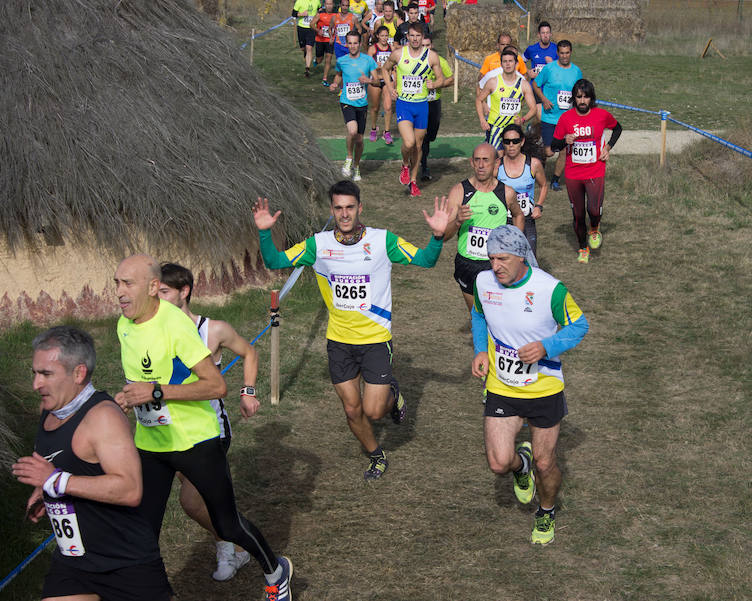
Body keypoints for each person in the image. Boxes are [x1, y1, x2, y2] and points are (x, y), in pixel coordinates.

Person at [112, 254, 293, 601]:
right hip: (152, 442)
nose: (119, 292)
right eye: (117, 283)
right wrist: (130, 395)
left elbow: (215, 386)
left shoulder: (177, 327)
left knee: (227, 524)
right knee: (142, 528)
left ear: (152, 288)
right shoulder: (124, 324)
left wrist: (155, 392)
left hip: (196, 441)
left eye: (127, 284)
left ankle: (275, 569)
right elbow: (147, 378)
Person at [253, 181, 451, 480]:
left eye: (349, 207)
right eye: (338, 208)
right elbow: (274, 261)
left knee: (373, 411)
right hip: (339, 342)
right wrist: (265, 232)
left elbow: (426, 260)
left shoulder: (383, 241)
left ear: (360, 207)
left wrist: (437, 236)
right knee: (351, 410)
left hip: (375, 340)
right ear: (331, 210)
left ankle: (392, 392)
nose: (344, 214)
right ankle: (376, 455)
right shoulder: (318, 245)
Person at [13, 326, 173, 601]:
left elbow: (130, 489)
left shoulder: (103, 418)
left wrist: (56, 480)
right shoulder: (49, 409)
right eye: (35, 373)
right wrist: (44, 490)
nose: (36, 384)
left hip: (124, 562)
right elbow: (65, 464)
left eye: (46, 374)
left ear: (78, 373)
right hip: (73, 560)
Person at [470, 225, 588, 544]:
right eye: (492, 258)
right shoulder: (483, 282)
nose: (496, 266)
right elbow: (479, 314)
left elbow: (579, 325)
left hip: (544, 389)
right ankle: (520, 466)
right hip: (502, 387)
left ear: (521, 256)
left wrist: (547, 347)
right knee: (498, 463)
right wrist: (481, 348)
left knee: (546, 461)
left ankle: (546, 511)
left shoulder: (550, 290)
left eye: (503, 259)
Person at [157, 263, 260, 582]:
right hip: (165, 429)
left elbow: (249, 352)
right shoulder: (154, 330)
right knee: (202, 497)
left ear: (184, 291)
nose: (157, 299)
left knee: (191, 501)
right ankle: (233, 543)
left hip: (208, 430)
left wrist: (248, 392)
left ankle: (235, 547)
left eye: (164, 292)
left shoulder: (212, 330)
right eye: (155, 293)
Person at [443, 142, 524, 312]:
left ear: (496, 163)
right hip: (467, 264)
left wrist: (516, 246)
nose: (481, 165)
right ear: (471, 162)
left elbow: (518, 215)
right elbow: (443, 236)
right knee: (477, 317)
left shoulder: (506, 193)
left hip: (496, 264)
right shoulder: (459, 191)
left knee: (499, 317)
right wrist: (457, 221)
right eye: (477, 160)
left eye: (486, 160)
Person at [551, 78, 622, 263]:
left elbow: (618, 128)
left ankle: (595, 227)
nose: (582, 101)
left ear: (591, 98)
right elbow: (554, 145)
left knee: (594, 210)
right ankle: (583, 248)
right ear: (574, 98)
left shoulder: (601, 115)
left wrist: (608, 148)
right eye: (579, 97)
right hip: (574, 173)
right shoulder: (565, 118)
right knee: (578, 214)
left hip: (595, 170)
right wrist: (564, 140)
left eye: (586, 97)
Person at [380, 22, 444, 196]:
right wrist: (390, 87)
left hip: (422, 105)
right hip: (404, 104)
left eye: (418, 36)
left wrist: (434, 83)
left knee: (417, 145)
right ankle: (405, 165)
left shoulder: (431, 57)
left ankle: (413, 181)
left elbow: (441, 79)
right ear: (407, 36)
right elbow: (385, 69)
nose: (415, 39)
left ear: (423, 37)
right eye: (412, 35)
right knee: (408, 143)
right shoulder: (399, 54)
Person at [532, 40, 582, 191]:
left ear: (571, 53)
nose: (565, 56)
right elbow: (535, 84)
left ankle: (554, 180)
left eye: (567, 53)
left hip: (567, 118)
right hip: (549, 117)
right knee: (548, 151)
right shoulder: (549, 69)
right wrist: (544, 99)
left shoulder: (576, 71)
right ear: (557, 53)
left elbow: (579, 92)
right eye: (562, 53)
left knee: (564, 151)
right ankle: (536, 166)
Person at [331, 29, 380, 181]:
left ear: (360, 44)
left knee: (359, 139)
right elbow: (338, 75)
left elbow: (377, 80)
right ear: (346, 44)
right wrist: (334, 83)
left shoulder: (367, 60)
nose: (352, 46)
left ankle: (356, 168)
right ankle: (348, 158)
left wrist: (369, 81)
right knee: (352, 132)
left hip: (362, 104)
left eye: (355, 43)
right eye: (350, 43)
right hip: (347, 101)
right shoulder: (341, 61)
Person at [496, 123, 547, 256]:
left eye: (515, 141)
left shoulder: (533, 164)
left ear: (522, 141)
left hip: (527, 219)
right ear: (503, 143)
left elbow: (544, 185)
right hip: (504, 220)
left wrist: (539, 206)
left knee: (529, 261)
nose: (511, 145)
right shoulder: (497, 166)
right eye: (507, 142)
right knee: (505, 260)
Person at [476, 47, 537, 150]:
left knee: (513, 158)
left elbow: (533, 108)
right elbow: (479, 99)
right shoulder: (493, 82)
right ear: (501, 64)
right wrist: (482, 120)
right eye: (505, 61)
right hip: (495, 127)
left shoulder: (523, 84)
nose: (508, 64)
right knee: (496, 158)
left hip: (514, 128)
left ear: (516, 64)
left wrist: (522, 120)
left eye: (510, 61)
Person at [420, 32, 454, 181]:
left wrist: (437, 84)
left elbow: (451, 79)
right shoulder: (415, 62)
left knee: (431, 135)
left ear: (432, 45)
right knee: (423, 138)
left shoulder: (440, 61)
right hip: (418, 102)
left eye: (428, 45)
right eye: (423, 46)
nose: (426, 48)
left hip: (434, 102)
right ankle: (423, 166)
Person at [367, 25, 396, 145]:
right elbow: (368, 66)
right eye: (382, 36)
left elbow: (395, 65)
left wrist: (395, 80)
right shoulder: (373, 49)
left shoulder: (392, 48)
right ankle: (374, 128)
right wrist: (376, 66)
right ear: (377, 36)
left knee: (388, 107)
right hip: (375, 80)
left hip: (387, 80)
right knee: (375, 107)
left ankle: (387, 132)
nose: (384, 38)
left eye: (386, 36)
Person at [292, 0, 320, 78]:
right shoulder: (299, 1)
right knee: (303, 48)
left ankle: (307, 69)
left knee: (309, 47)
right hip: (301, 28)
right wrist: (301, 14)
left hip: (312, 28)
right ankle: (305, 52)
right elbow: (293, 14)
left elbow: (320, 10)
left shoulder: (317, 1)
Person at [315, 0, 338, 87]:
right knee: (319, 59)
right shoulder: (320, 14)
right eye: (327, 4)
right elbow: (312, 24)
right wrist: (318, 30)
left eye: (331, 4)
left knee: (328, 59)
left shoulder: (336, 15)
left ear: (333, 5)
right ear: (325, 5)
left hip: (330, 40)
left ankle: (324, 79)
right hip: (320, 40)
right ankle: (316, 60)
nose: (329, 6)